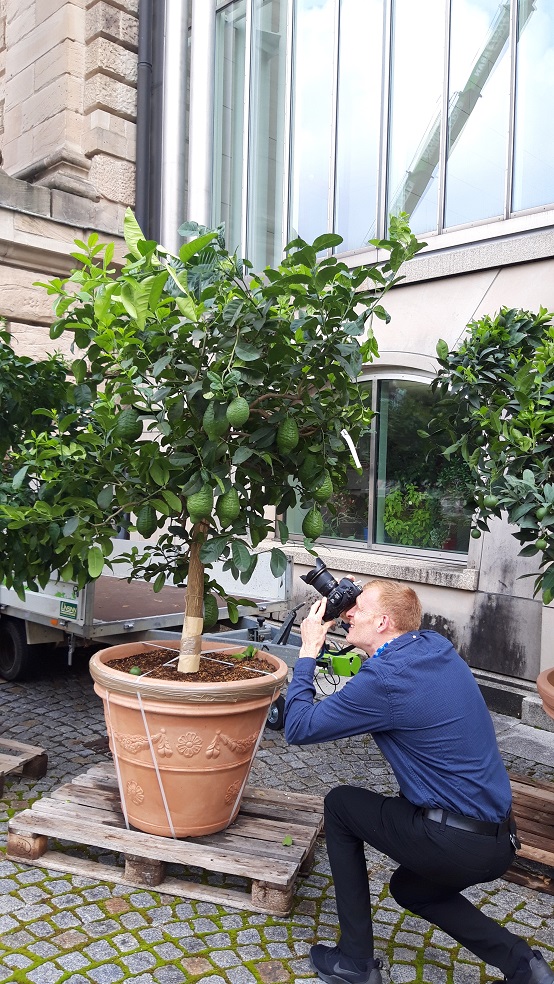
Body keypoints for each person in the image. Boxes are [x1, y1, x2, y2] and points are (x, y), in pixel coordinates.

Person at [284, 579, 554, 984]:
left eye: (359, 608)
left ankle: (356, 963)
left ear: (385, 622)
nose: (348, 613)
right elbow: (391, 657)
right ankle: (524, 966)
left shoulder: (386, 680)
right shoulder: (434, 646)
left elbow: (298, 726)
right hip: (498, 840)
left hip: (454, 840)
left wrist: (308, 653)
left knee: (341, 805)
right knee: (412, 889)